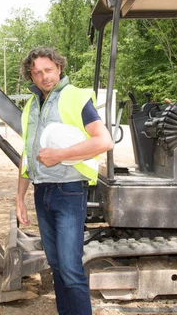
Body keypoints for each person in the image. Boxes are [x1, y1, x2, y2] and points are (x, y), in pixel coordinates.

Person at [16, 47, 113, 315]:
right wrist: (19, 198)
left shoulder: (75, 97)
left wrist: (60, 155)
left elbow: (103, 141)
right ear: (31, 76)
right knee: (56, 266)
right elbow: (27, 152)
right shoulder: (30, 107)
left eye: (48, 70)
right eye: (37, 73)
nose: (44, 76)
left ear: (59, 68)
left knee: (70, 269)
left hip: (69, 191)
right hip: (41, 192)